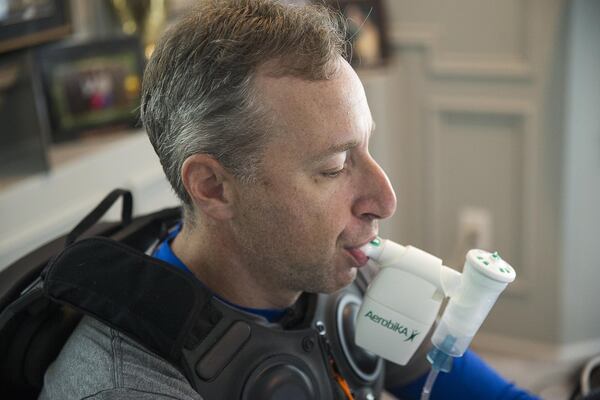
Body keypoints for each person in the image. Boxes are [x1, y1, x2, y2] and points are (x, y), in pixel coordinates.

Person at [39, 1, 539, 399]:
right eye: (334, 167)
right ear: (214, 187)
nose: (384, 201)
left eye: (367, 147)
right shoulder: (128, 385)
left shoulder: (353, 274)